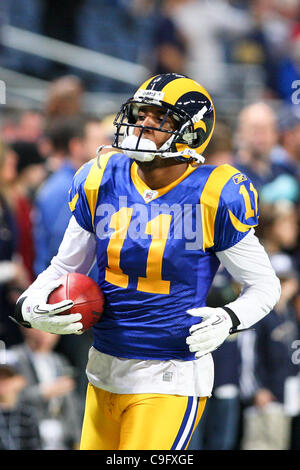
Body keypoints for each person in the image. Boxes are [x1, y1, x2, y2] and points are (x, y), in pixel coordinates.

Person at [11, 73, 281, 450]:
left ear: (192, 132)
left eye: (159, 118)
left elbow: (266, 287)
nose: (143, 124)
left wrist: (230, 319)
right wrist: (28, 306)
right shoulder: (101, 176)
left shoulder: (215, 193)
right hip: (102, 366)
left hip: (169, 375)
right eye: (141, 114)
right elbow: (63, 268)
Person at [10, 328, 82, 450]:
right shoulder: (15, 358)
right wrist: (43, 392)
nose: (46, 334)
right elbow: (9, 398)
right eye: (41, 329)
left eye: (51, 330)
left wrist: (77, 438)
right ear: (26, 329)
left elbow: (71, 405)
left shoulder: (59, 360)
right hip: (28, 434)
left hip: (61, 437)